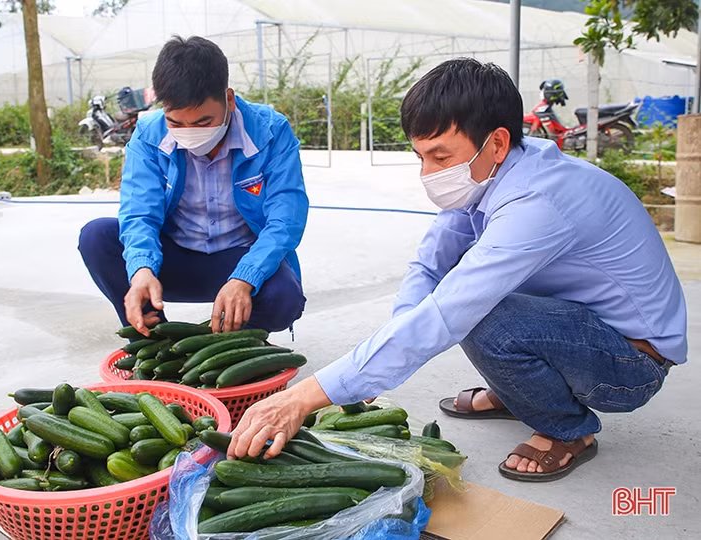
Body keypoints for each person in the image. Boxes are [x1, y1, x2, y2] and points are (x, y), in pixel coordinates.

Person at [228, 58, 687, 482]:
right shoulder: (494, 173)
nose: (428, 173)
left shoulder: (537, 202)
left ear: (498, 141)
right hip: (582, 329)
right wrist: (372, 363)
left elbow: (450, 309)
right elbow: (429, 264)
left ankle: (569, 430)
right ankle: (523, 392)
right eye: (421, 157)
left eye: (441, 157)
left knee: (484, 315)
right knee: (464, 296)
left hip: (631, 363)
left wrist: (305, 395)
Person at [78, 36, 308, 336]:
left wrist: (246, 276)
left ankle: (235, 344)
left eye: (202, 122)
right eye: (176, 123)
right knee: (97, 237)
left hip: (239, 257)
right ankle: (152, 339)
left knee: (284, 298)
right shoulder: (149, 135)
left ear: (229, 99)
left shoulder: (270, 132)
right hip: (174, 259)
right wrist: (142, 269)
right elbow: (139, 214)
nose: (189, 134)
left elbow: (285, 219)